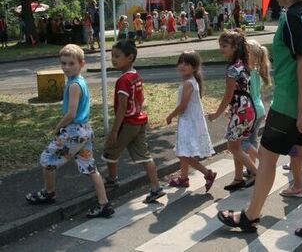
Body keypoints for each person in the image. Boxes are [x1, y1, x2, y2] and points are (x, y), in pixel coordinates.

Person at [218, 0, 302, 242]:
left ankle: (251, 215)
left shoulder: (293, 16)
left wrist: (301, 110)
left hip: (292, 103)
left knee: (268, 158)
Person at [25, 44, 114, 218]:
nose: (66, 67)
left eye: (71, 63)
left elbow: (71, 113)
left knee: (47, 159)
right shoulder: (80, 82)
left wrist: (58, 126)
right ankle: (104, 203)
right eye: (63, 63)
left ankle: (49, 193)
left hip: (73, 131)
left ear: (82, 64)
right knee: (90, 168)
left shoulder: (73, 85)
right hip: (85, 131)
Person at [103, 40, 165, 203]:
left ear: (130, 57)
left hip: (128, 123)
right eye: (112, 56)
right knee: (144, 155)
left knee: (110, 149)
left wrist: (115, 131)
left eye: (117, 56)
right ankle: (156, 187)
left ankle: (112, 179)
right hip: (139, 120)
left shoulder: (123, 80)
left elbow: (122, 106)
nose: (113, 59)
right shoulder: (135, 76)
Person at [208, 30, 258, 190]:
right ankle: (238, 178)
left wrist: (216, 114)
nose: (221, 49)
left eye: (225, 46)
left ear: (235, 47)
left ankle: (257, 173)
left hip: (240, 112)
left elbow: (228, 95)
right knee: (237, 145)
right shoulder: (243, 65)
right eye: (220, 45)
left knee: (232, 146)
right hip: (247, 110)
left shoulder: (232, 69)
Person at [165, 51, 217, 191]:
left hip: (189, 122)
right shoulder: (190, 80)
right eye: (180, 62)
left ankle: (207, 173)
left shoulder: (189, 83)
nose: (182, 65)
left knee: (184, 153)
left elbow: (183, 106)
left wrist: (170, 116)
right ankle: (183, 178)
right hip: (190, 121)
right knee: (184, 152)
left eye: (187, 63)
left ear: (194, 67)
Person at [241, 40, 271, 171]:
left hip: (250, 111)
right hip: (259, 110)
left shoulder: (247, 72)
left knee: (242, 142)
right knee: (253, 140)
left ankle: (262, 161)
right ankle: (251, 168)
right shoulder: (258, 71)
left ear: (250, 54)